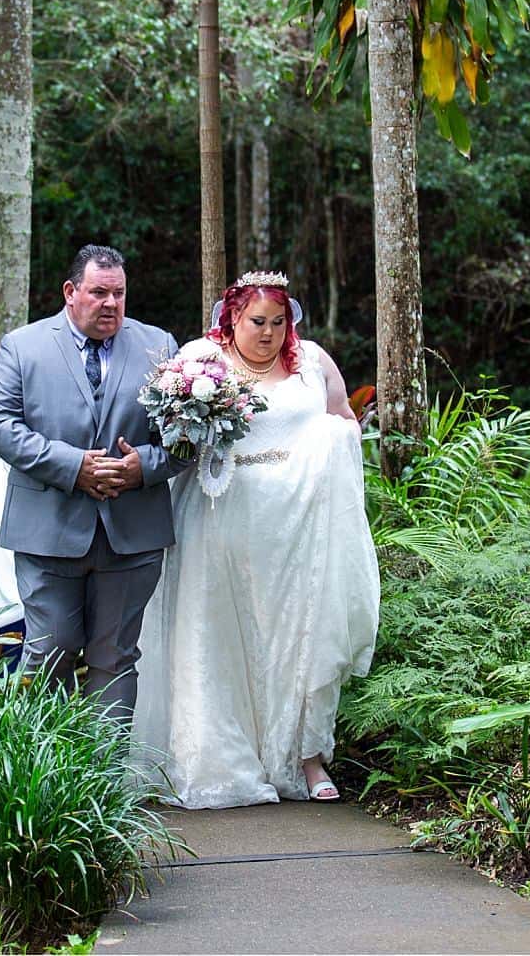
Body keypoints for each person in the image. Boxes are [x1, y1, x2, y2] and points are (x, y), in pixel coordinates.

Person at [134, 271, 381, 807]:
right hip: (219, 519)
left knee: (294, 637)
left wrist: (332, 441)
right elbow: (171, 435)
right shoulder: (201, 359)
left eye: (277, 322)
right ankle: (217, 757)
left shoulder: (312, 361)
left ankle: (305, 757)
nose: (268, 333)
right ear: (233, 317)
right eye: (256, 322)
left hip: (295, 529)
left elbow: (344, 422)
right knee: (218, 637)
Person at [0, 244, 185, 716]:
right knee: (50, 649)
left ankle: (105, 782)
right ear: (71, 292)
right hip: (47, 527)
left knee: (115, 656)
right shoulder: (22, 346)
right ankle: (43, 774)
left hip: (131, 531)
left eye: (119, 294)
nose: (110, 304)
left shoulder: (160, 347)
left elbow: (187, 435)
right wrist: (74, 467)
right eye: (98, 293)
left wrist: (144, 467)